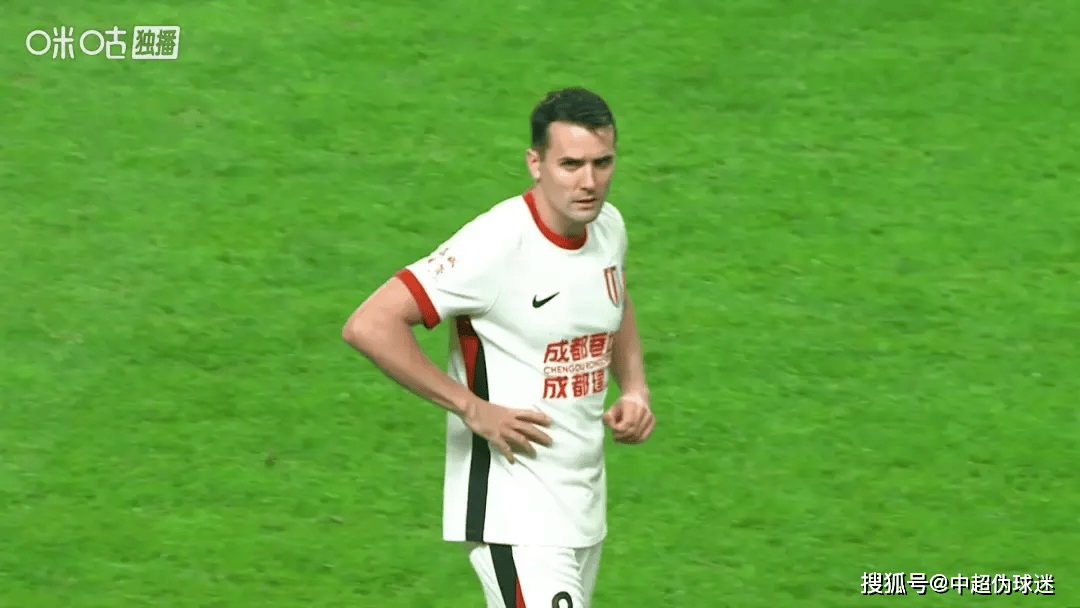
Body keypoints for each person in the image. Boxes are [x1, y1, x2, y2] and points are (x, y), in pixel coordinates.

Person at [342, 86, 655, 608]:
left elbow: (613, 296)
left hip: (582, 507)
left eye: (602, 163)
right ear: (535, 163)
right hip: (514, 512)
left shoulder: (607, 227)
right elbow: (370, 324)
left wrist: (636, 388)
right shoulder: (494, 244)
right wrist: (471, 407)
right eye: (570, 164)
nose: (589, 182)